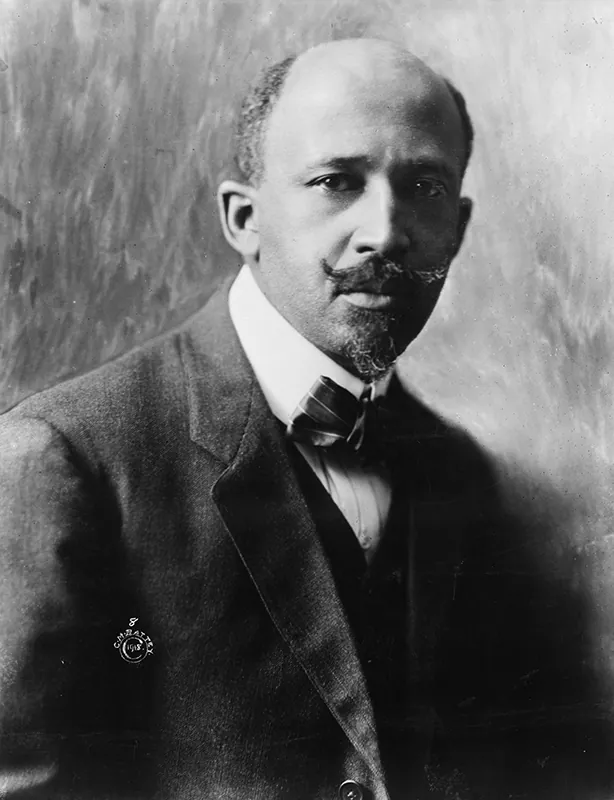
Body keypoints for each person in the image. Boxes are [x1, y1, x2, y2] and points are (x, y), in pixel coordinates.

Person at [0, 37, 611, 800]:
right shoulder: (63, 461)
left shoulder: (458, 470)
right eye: (335, 182)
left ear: (456, 229)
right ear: (244, 219)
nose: (384, 231)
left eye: (423, 186)